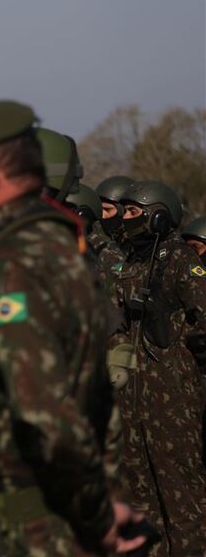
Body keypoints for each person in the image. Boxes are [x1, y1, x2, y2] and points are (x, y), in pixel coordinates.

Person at [0, 99, 146, 555]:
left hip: (19, 535)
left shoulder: (14, 264)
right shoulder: (21, 249)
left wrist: (95, 515)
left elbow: (47, 413)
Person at [112, 179, 206, 556]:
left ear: (158, 215)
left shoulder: (181, 258)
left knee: (181, 492)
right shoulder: (128, 261)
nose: (125, 217)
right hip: (133, 396)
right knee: (139, 491)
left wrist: (181, 350)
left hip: (173, 395)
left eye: (134, 211)